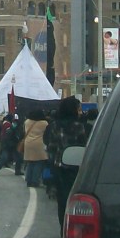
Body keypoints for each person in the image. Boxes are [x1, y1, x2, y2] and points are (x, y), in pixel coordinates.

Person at [45, 96, 92, 230]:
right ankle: (78, 227)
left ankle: (63, 228)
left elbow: (49, 145)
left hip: (59, 167)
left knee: (62, 200)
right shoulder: (82, 127)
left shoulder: (54, 126)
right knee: (80, 198)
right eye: (78, 109)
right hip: (79, 168)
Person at [21, 108, 49, 188]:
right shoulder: (44, 123)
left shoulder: (27, 122)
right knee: (38, 163)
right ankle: (35, 181)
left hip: (28, 143)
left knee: (30, 162)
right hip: (39, 143)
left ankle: (28, 180)